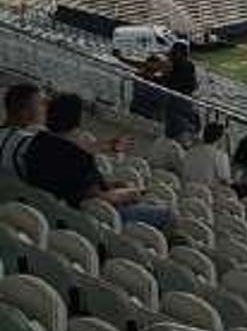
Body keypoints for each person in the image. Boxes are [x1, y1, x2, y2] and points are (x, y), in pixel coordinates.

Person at [20, 92, 172, 229]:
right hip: (86, 218)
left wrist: (110, 185)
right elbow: (96, 200)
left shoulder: (35, 143)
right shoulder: (77, 157)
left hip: (47, 210)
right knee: (169, 216)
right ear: (77, 121)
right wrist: (131, 193)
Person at [0, 84, 45, 171]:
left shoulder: (4, 136)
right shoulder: (27, 143)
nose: (44, 108)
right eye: (41, 103)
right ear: (23, 110)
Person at [180, 121, 233, 186]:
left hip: (189, 190)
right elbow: (225, 180)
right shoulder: (221, 156)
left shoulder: (190, 151)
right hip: (208, 193)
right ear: (219, 139)